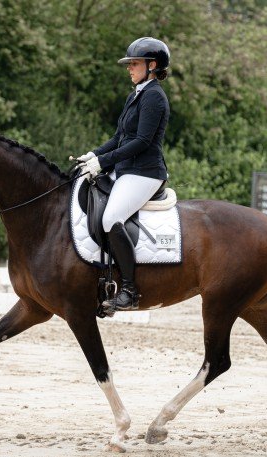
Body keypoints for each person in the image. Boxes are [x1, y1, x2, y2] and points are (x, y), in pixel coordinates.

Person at [77, 37, 171, 312]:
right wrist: (94, 156)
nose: (129, 68)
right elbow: (119, 137)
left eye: (135, 63)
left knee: (111, 217)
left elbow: (141, 142)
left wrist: (104, 161)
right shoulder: (137, 94)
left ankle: (129, 290)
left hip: (145, 173)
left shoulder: (154, 96)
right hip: (127, 170)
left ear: (152, 66)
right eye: (129, 64)